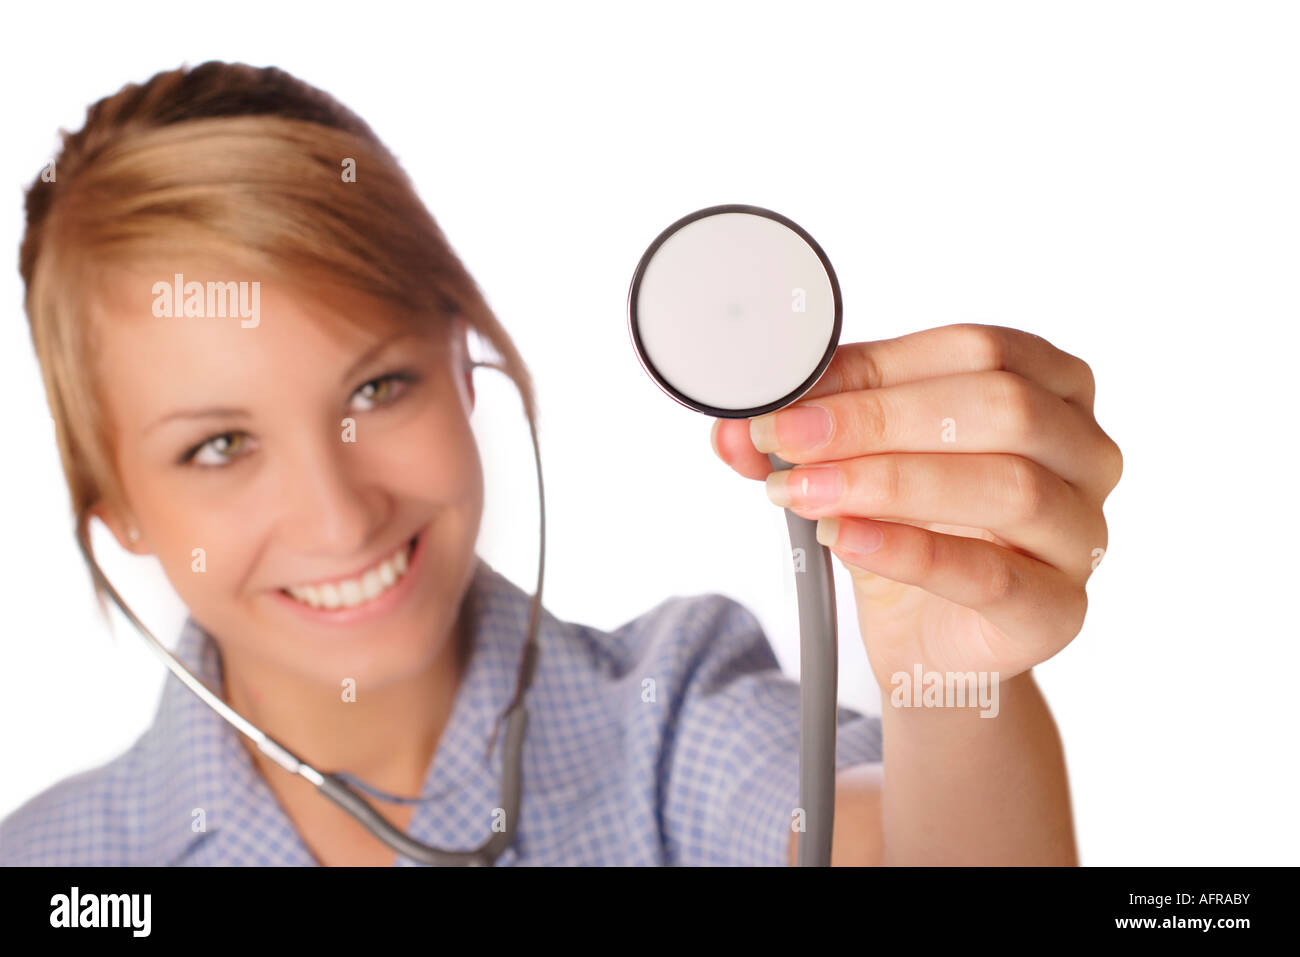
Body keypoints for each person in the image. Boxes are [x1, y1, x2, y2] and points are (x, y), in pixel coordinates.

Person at [0, 61, 1121, 866]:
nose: (337, 516)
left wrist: (952, 685)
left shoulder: (671, 714)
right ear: (117, 513)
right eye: (219, 446)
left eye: (376, 388)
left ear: (467, 367)